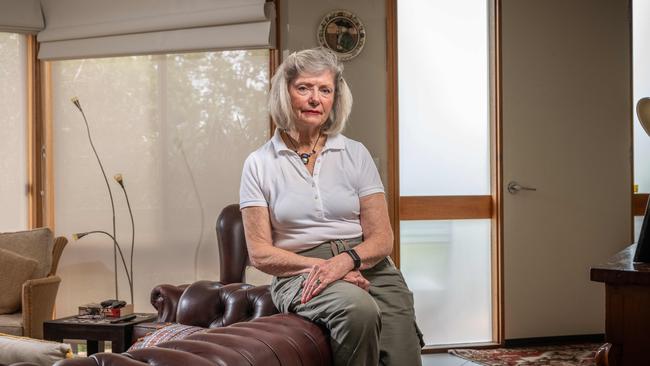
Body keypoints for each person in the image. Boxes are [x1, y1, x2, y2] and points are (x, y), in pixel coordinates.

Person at [239, 47, 423, 366]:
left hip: (367, 263)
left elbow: (382, 239)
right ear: (285, 93)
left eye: (325, 90)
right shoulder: (258, 164)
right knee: (358, 309)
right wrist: (325, 268)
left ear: (335, 99)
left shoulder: (355, 154)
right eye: (304, 88)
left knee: (400, 328)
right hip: (299, 270)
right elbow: (260, 253)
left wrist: (346, 263)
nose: (315, 99)